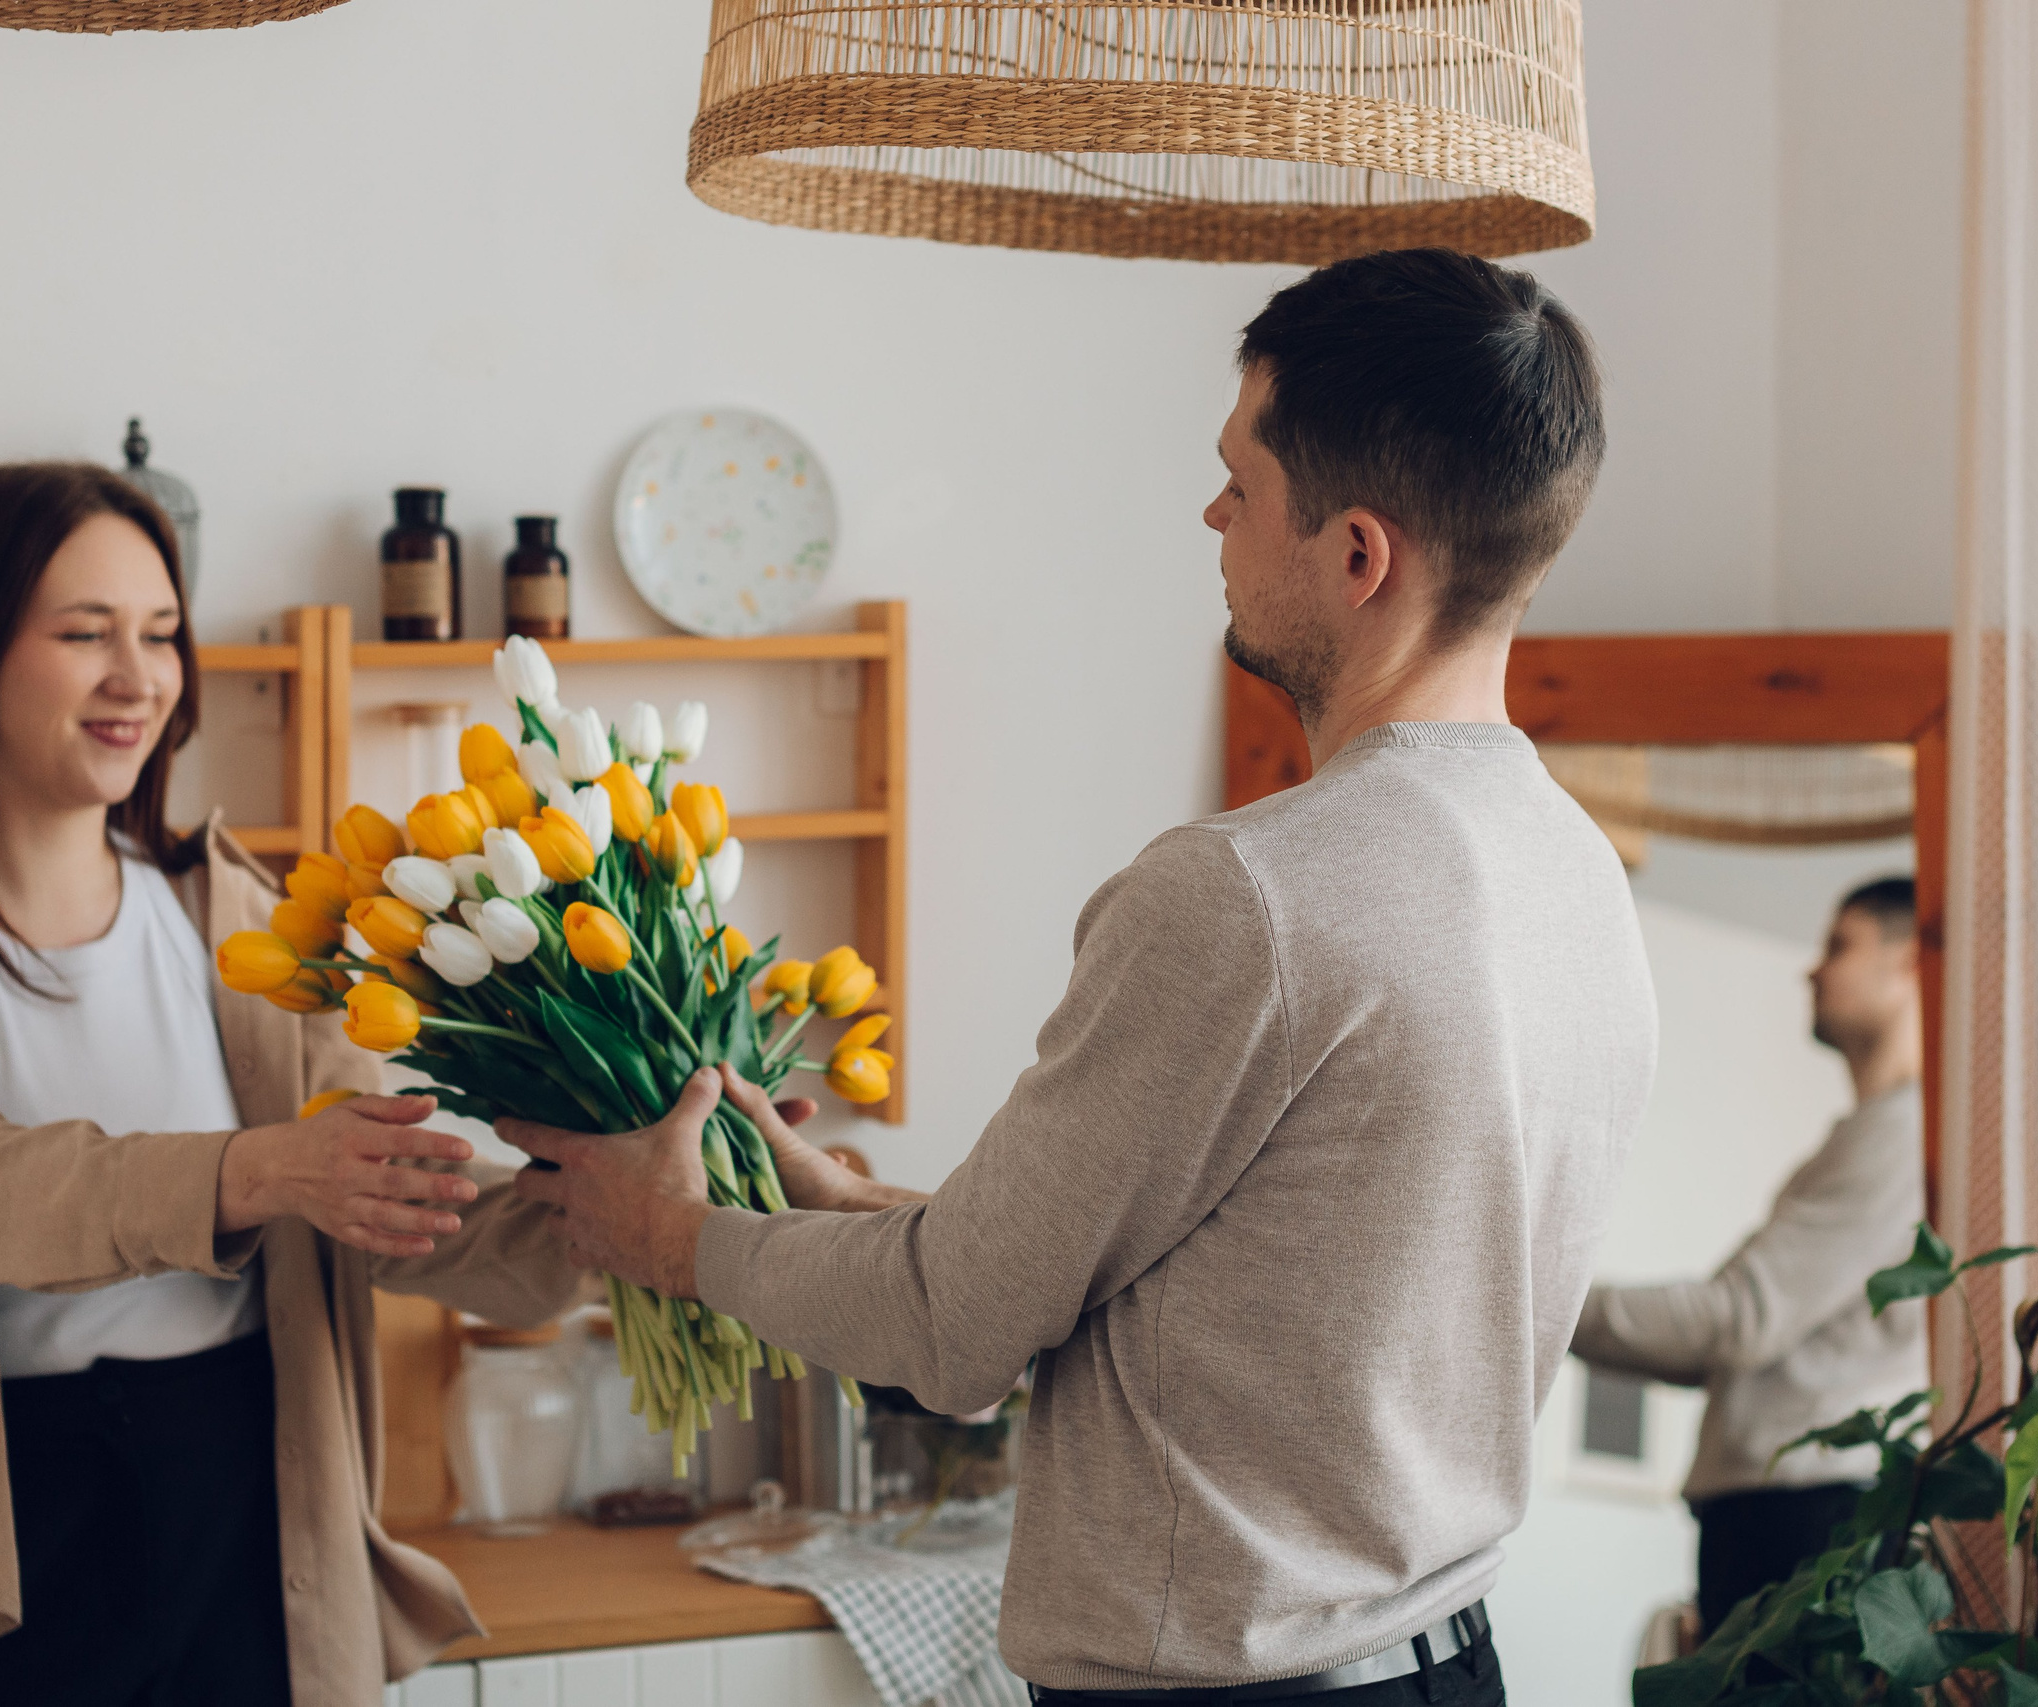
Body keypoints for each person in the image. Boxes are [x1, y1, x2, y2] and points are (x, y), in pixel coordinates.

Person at [499, 248, 1659, 1706]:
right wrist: (864, 1205)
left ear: (1358, 556)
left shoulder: (1248, 894)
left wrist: (673, 1237)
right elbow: (1276, 1280)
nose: (1214, 514)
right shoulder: (1574, 876)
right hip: (1447, 1663)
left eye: (1243, 481)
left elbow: (952, 1335)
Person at [0, 464, 579, 1707]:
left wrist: (635, 1210)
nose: (139, 676)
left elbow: (393, 1198)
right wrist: (258, 1169)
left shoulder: (239, 920)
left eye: (161, 634)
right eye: (84, 635)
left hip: (237, 1514)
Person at [1572, 876, 1927, 1640]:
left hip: (1807, 1518)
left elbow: (1737, 1320)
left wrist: (1544, 1299)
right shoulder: (1877, 1136)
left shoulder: (1900, 1136)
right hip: (1787, 1514)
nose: (1812, 969)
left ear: (1912, 966)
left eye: (1840, 944)